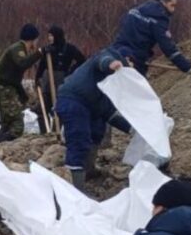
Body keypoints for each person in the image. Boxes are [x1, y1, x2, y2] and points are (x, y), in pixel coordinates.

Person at [54, 47, 133, 189]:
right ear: (125, 58)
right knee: (79, 141)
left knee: (97, 130)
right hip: (74, 101)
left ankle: (88, 170)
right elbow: (102, 60)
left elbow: (108, 112)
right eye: (131, 61)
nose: (132, 65)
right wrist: (111, 63)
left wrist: (131, 129)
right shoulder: (108, 57)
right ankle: (75, 188)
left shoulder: (112, 81)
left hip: (89, 106)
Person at [113, 0, 191, 75]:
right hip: (134, 60)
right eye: (172, 5)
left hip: (115, 53)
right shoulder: (159, 19)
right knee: (136, 83)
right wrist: (186, 67)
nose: (173, 10)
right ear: (163, 2)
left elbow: (122, 28)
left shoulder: (136, 10)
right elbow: (167, 46)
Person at [0, 23, 44, 142]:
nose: (37, 43)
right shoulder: (18, 49)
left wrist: (22, 93)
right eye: (36, 40)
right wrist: (39, 53)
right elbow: (22, 64)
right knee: (17, 124)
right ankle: (2, 142)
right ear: (32, 39)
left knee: (7, 122)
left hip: (5, 88)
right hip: (5, 89)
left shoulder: (20, 49)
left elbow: (13, 76)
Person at [34, 25, 86, 133]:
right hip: (47, 82)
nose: (49, 38)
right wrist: (37, 78)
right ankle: (45, 132)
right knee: (42, 109)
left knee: (59, 108)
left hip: (61, 82)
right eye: (48, 35)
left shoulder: (69, 49)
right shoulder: (48, 49)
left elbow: (82, 60)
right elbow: (42, 66)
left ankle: (55, 131)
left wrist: (70, 72)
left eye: (51, 36)